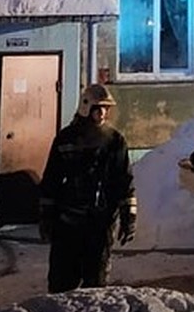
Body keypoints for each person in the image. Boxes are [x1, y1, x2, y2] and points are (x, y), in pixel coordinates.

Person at [38, 83, 136, 293]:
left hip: (100, 222)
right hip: (67, 222)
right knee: (62, 283)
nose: (102, 114)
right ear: (86, 107)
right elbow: (51, 179)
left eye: (106, 109)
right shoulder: (66, 139)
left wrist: (129, 216)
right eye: (98, 108)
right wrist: (46, 215)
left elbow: (123, 180)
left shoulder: (114, 141)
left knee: (96, 283)